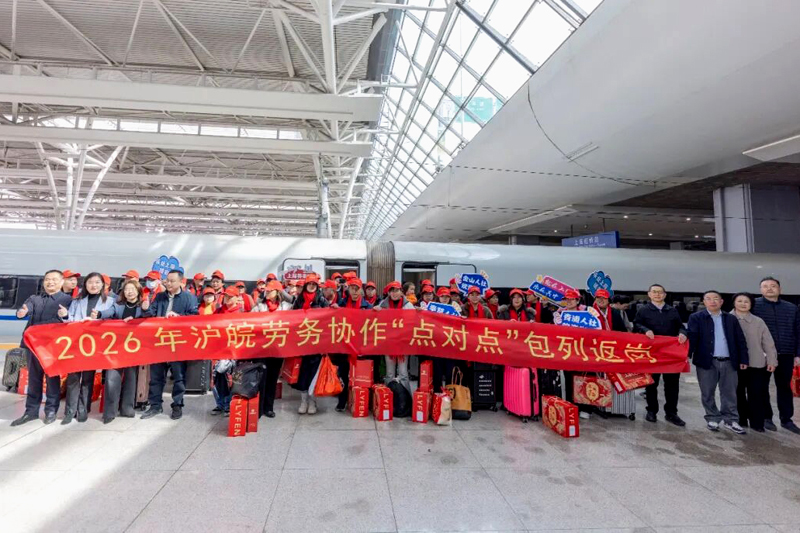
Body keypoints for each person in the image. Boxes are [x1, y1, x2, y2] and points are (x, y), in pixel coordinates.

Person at [11, 270, 73, 426]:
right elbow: (24, 311)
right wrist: (21, 313)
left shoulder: (67, 300)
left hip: (53, 347)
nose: (50, 282)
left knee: (52, 378)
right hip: (33, 346)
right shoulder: (34, 298)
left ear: (61, 282)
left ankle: (51, 411)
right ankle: (30, 411)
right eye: (47, 279)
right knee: (34, 378)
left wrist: (65, 315)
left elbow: (70, 320)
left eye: (54, 279)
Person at [59, 272, 117, 424]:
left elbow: (113, 320)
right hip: (77, 344)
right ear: (85, 285)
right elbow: (70, 320)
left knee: (88, 378)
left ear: (102, 285)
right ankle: (70, 411)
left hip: (95, 345)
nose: (94, 285)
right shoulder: (77, 301)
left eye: (97, 282)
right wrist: (65, 316)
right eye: (90, 282)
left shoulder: (110, 301)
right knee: (73, 378)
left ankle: (83, 409)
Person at [687, 290, 749, 434]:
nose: (712, 301)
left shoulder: (730, 318)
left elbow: (740, 340)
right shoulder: (696, 317)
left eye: (716, 298)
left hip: (729, 361)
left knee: (729, 392)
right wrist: (686, 355)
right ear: (704, 301)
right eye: (708, 298)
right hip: (706, 361)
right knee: (707, 392)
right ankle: (712, 417)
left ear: (721, 302)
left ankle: (731, 420)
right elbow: (693, 337)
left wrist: (743, 359)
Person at [141, 270, 199, 421]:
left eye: (172, 281)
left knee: (179, 376)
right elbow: (150, 315)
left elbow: (195, 317)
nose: (169, 283)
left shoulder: (189, 298)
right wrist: (146, 308)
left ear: (181, 282)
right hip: (159, 341)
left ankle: (177, 405)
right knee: (156, 376)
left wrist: (179, 318)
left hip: (178, 343)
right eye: (167, 280)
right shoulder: (160, 296)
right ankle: (155, 405)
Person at [634, 283, 689, 426]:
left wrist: (683, 333)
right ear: (649, 294)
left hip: (670, 354)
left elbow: (681, 326)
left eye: (660, 292)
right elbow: (636, 325)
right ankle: (651, 411)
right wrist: (645, 330)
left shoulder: (672, 311)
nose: (657, 294)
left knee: (672, 385)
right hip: (652, 353)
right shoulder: (644, 310)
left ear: (664, 295)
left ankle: (671, 413)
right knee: (651, 383)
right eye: (654, 292)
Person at [752, 276, 800, 434]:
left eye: (773, 286)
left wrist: (797, 354)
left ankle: (786, 419)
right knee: (762, 387)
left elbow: (798, 332)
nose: (769, 289)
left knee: (785, 387)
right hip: (762, 354)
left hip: (786, 353)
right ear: (760, 290)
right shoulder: (754, 305)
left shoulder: (791, 308)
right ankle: (767, 418)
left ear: (780, 289)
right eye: (765, 286)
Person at [97, 278, 146, 424]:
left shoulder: (142, 307)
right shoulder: (117, 305)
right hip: (116, 347)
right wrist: (99, 314)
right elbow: (108, 313)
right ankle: (109, 412)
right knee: (112, 379)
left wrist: (141, 313)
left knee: (131, 378)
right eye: (126, 289)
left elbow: (149, 318)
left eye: (132, 289)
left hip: (134, 348)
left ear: (138, 291)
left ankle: (127, 408)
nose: (129, 292)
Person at [732, 292, 777, 432]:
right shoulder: (726, 319)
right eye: (740, 301)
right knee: (737, 392)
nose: (743, 304)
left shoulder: (758, 321)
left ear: (751, 304)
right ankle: (741, 420)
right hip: (734, 364)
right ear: (734, 303)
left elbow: (768, 343)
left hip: (756, 363)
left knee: (756, 393)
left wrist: (772, 360)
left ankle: (757, 422)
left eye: (746, 301)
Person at [252, 280, 292, 418]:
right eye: (266, 291)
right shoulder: (259, 306)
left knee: (273, 379)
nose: (267, 293)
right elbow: (249, 321)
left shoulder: (287, 307)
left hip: (277, 349)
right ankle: (259, 407)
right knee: (261, 378)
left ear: (278, 293)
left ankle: (269, 407)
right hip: (261, 349)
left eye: (270, 291)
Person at [291, 274, 330, 415]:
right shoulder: (298, 301)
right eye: (309, 283)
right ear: (306, 285)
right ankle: (303, 401)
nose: (312, 285)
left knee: (314, 373)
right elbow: (291, 319)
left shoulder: (322, 300)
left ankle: (312, 401)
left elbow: (328, 321)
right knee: (303, 373)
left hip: (316, 344)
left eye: (314, 283)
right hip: (302, 343)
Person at [335, 278, 373, 410]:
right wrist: (335, 309)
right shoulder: (342, 304)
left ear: (361, 290)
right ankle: (342, 401)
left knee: (361, 375)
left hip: (361, 346)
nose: (355, 291)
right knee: (343, 374)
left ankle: (361, 401)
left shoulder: (368, 306)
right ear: (348, 290)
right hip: (345, 346)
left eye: (357, 289)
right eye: (352, 288)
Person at [210, 286, 242, 415]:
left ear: (236, 298)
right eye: (226, 296)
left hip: (234, 351)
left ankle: (228, 404)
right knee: (216, 377)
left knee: (231, 379)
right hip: (218, 350)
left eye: (230, 296)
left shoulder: (242, 313)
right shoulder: (218, 311)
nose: (227, 299)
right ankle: (220, 404)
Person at [377, 281, 414, 390]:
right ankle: (388, 400)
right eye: (392, 291)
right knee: (389, 374)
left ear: (401, 292)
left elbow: (413, 322)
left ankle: (406, 401)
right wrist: (374, 311)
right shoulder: (383, 305)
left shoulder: (408, 305)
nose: (394, 293)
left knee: (403, 374)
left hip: (403, 344)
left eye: (397, 290)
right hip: (388, 344)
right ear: (388, 293)